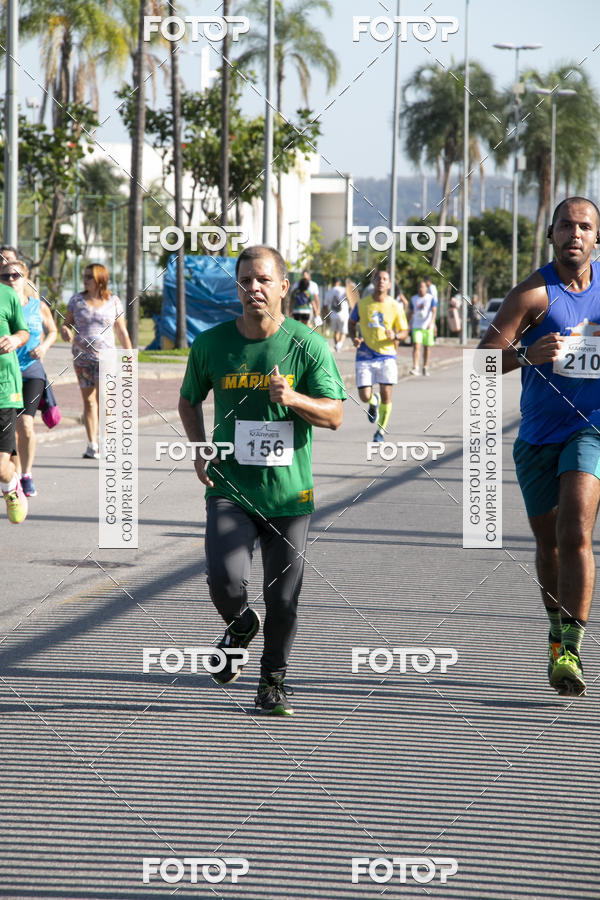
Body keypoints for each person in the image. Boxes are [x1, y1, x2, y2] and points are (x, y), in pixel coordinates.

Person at [178, 245, 345, 716]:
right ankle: (240, 624)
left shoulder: (307, 344)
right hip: (229, 489)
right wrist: (199, 446)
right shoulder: (211, 344)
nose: (254, 287)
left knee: (284, 599)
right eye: (245, 280)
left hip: (289, 495)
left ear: (283, 287)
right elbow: (188, 400)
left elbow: (334, 415)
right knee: (224, 580)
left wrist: (293, 398)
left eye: (264, 279)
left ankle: (272, 682)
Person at [479, 196, 600, 697]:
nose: (575, 234)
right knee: (549, 544)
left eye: (585, 226)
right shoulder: (532, 294)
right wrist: (528, 354)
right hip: (537, 437)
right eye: (566, 225)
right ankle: (555, 630)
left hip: (591, 428)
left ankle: (572, 646)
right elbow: (481, 364)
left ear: (597, 237)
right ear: (551, 235)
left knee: (575, 531)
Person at [61, 263, 132, 459]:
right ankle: (91, 444)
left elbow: (121, 331)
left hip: (106, 358)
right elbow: (66, 324)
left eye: (89, 277)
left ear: (100, 279)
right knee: (89, 402)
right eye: (84, 276)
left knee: (105, 400)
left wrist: (129, 357)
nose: (85, 280)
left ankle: (105, 441)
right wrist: (64, 330)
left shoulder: (113, 301)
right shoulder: (76, 300)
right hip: (82, 358)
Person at [1, 260, 57, 497]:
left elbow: (52, 330)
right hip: (8, 372)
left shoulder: (37, 306)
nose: (11, 279)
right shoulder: (4, 302)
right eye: (6, 276)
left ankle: (26, 474)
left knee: (25, 424)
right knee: (11, 429)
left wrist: (43, 347)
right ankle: (12, 473)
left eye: (16, 275)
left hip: (31, 370)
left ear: (25, 279)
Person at [348, 269, 408, 442]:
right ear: (373, 282)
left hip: (387, 356)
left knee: (386, 394)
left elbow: (404, 331)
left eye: (385, 279)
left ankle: (380, 431)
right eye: (378, 278)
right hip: (365, 355)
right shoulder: (362, 304)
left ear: (389, 284)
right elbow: (351, 323)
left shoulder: (395, 306)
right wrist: (354, 338)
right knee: (364, 396)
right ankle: (373, 400)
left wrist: (395, 336)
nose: (381, 281)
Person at [0, 276, 30, 524]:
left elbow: (23, 331)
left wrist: (15, 339)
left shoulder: (7, 295)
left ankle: (11, 486)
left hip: (4, 388)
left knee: (1, 467)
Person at [409, 280, 437, 376]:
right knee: (416, 346)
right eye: (420, 287)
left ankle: (425, 366)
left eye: (423, 287)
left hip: (427, 326)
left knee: (427, 347)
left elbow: (434, 311)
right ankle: (415, 367)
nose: (421, 289)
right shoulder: (414, 299)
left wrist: (432, 322)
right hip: (416, 326)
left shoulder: (430, 298)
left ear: (426, 288)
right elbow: (411, 312)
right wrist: (407, 323)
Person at [324, 277, 348, 351]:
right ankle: (339, 345)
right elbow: (351, 297)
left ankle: (338, 347)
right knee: (344, 332)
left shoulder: (328, 292)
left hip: (333, 315)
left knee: (335, 332)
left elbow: (325, 306)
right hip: (343, 314)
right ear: (339, 282)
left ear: (332, 283)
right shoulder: (344, 290)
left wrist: (327, 316)